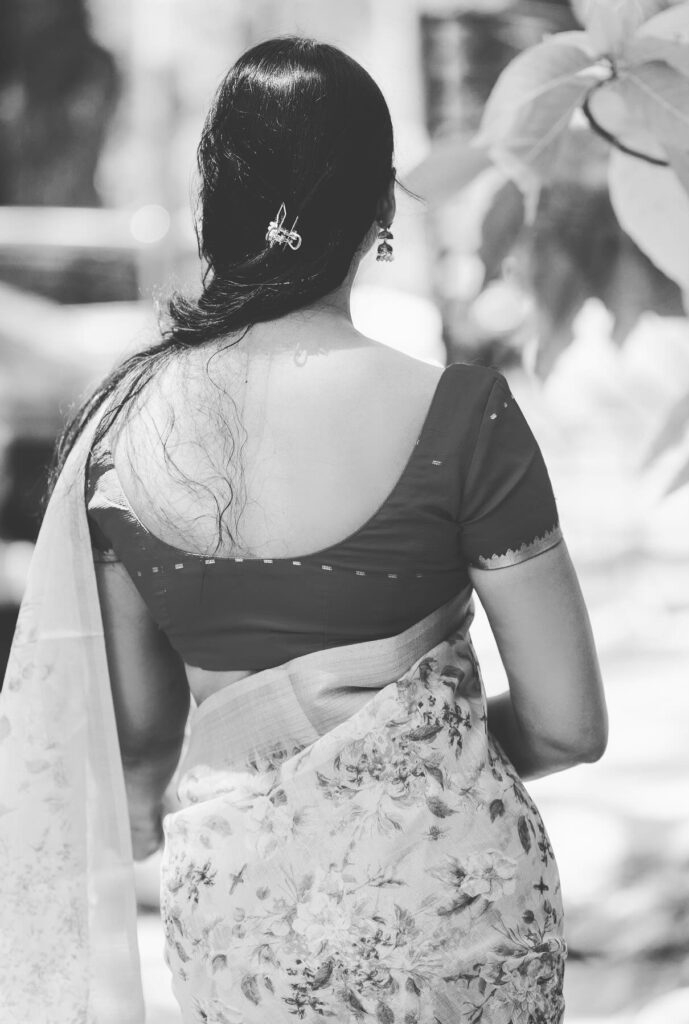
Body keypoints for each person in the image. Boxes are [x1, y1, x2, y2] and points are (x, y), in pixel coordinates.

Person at [0, 36, 607, 1024]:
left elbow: (144, 747)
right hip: (454, 907)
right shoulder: (463, 417)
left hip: (242, 922)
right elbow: (570, 724)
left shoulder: (120, 436)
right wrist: (406, 760)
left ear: (211, 208)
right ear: (380, 211)